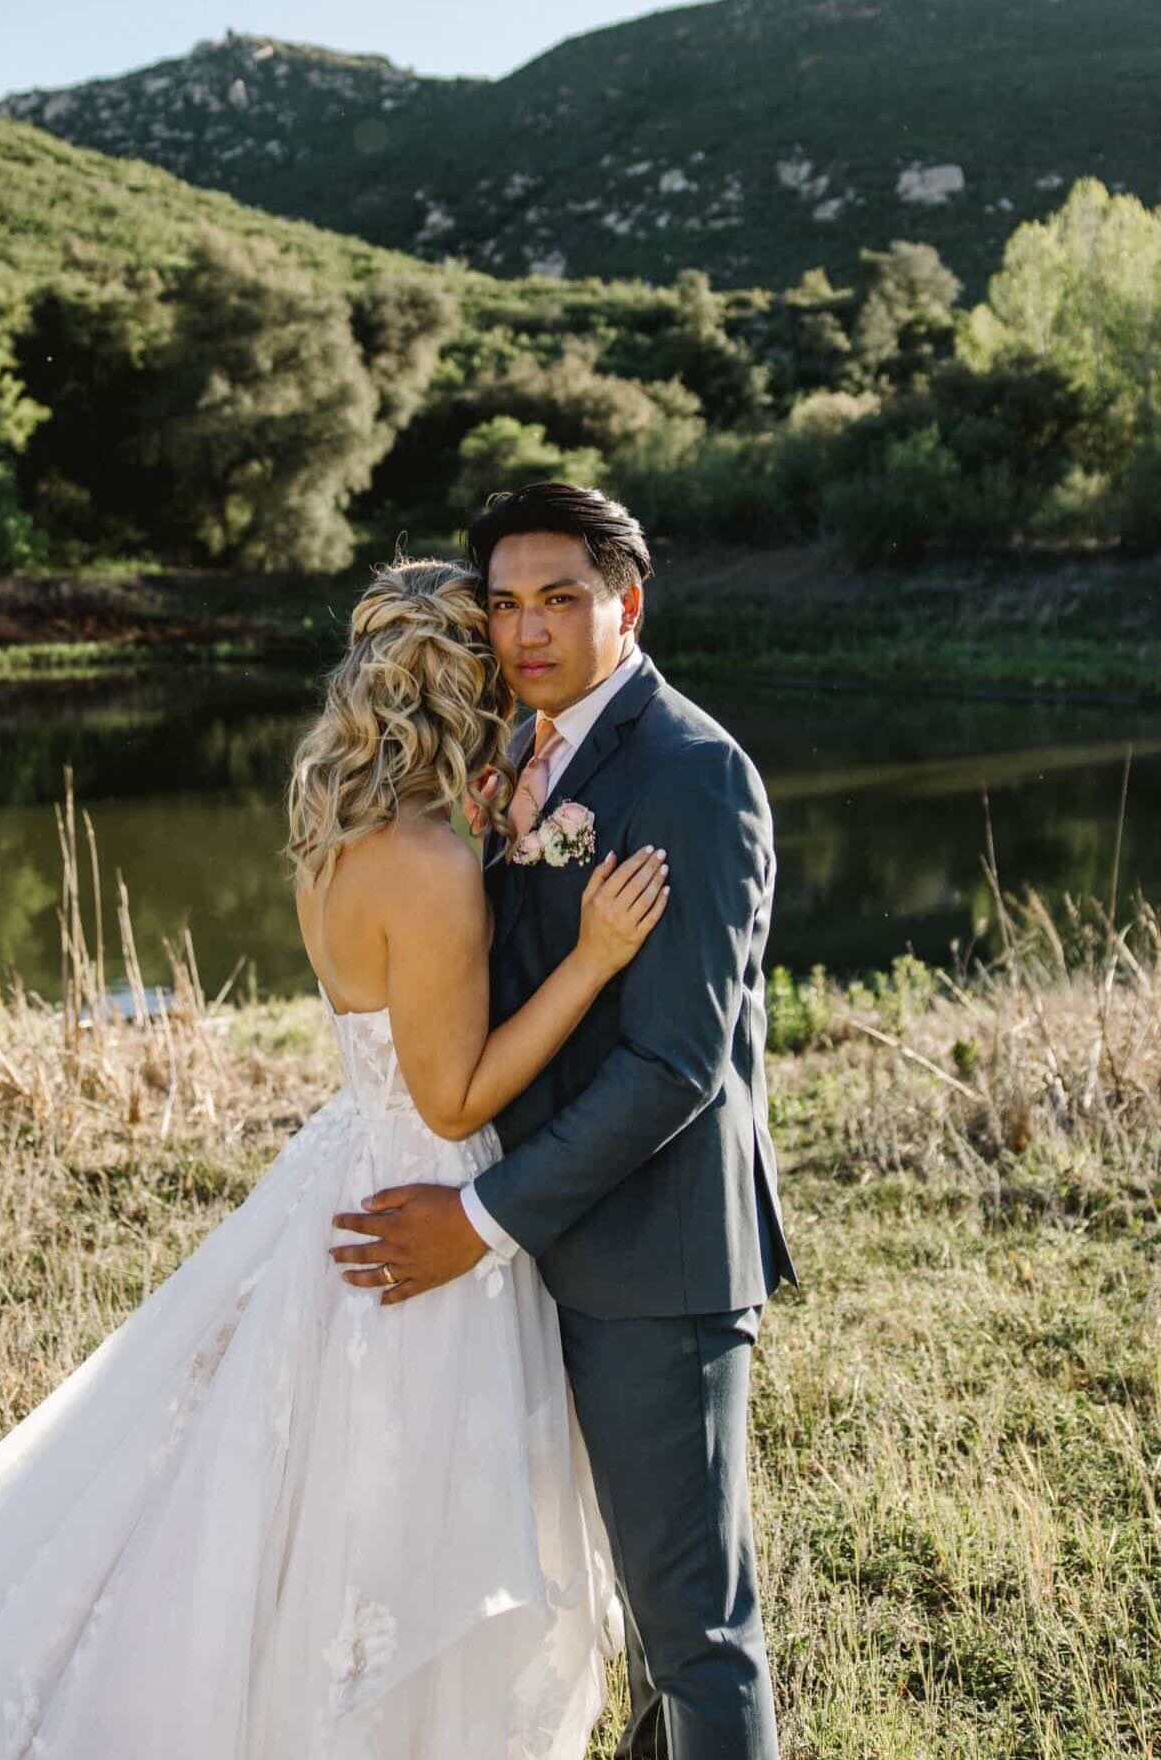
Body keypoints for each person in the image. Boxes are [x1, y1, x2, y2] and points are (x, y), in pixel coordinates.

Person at [0, 556, 670, 1758]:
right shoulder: (432, 866)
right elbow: (451, 1099)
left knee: (281, 1499)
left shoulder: (336, 830)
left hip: (340, 1164)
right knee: (391, 1519)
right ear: (468, 689)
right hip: (418, 1201)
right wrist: (592, 956)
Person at [331, 483, 799, 1760]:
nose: (527, 630)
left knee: (696, 1635)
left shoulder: (692, 774)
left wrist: (480, 1218)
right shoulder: (515, 754)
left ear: (627, 603)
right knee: (636, 1618)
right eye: (504, 602)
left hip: (654, 1260)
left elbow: (676, 1065)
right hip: (550, 1251)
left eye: (561, 598)